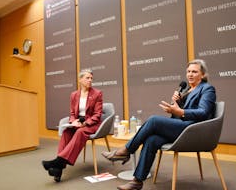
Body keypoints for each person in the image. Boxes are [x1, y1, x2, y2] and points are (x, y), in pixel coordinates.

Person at [102, 59, 216, 190]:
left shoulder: (207, 89)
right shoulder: (188, 90)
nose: (190, 74)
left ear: (202, 75)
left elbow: (204, 112)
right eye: (188, 71)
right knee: (152, 140)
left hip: (193, 130)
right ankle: (137, 181)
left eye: (194, 72)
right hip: (182, 127)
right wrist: (176, 106)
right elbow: (178, 114)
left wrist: (180, 110)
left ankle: (126, 150)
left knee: (154, 120)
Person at [42, 70, 103, 182]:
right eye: (87, 78)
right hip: (78, 122)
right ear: (80, 80)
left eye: (91, 78)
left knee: (80, 132)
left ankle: (58, 162)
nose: (90, 80)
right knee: (66, 132)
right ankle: (58, 168)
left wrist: (84, 123)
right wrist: (73, 122)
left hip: (91, 124)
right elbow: (72, 114)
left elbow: (97, 115)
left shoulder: (97, 94)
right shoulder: (74, 95)